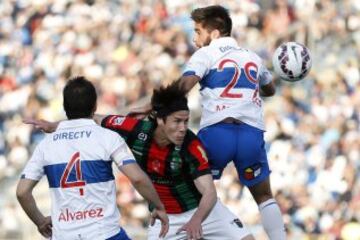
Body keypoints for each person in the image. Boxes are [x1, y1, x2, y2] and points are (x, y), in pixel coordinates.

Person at [130, 5, 286, 240]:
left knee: (193, 192)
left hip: (217, 133)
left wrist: (153, 106)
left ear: (214, 33)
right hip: (250, 135)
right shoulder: (252, 57)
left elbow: (184, 86)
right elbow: (270, 89)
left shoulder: (206, 54)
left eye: (197, 31)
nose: (195, 38)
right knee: (264, 196)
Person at [25, 81, 254, 240]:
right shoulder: (134, 130)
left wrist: (196, 221)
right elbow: (93, 119)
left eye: (186, 121)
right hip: (166, 218)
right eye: (177, 121)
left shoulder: (191, 145)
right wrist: (55, 125)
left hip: (202, 212)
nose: (183, 128)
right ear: (160, 120)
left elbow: (210, 193)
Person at [17, 76, 169, 240]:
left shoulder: (45, 146)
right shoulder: (108, 137)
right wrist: (159, 207)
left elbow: (22, 192)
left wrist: (40, 222)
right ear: (95, 106)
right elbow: (137, 179)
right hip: (105, 233)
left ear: (64, 107)